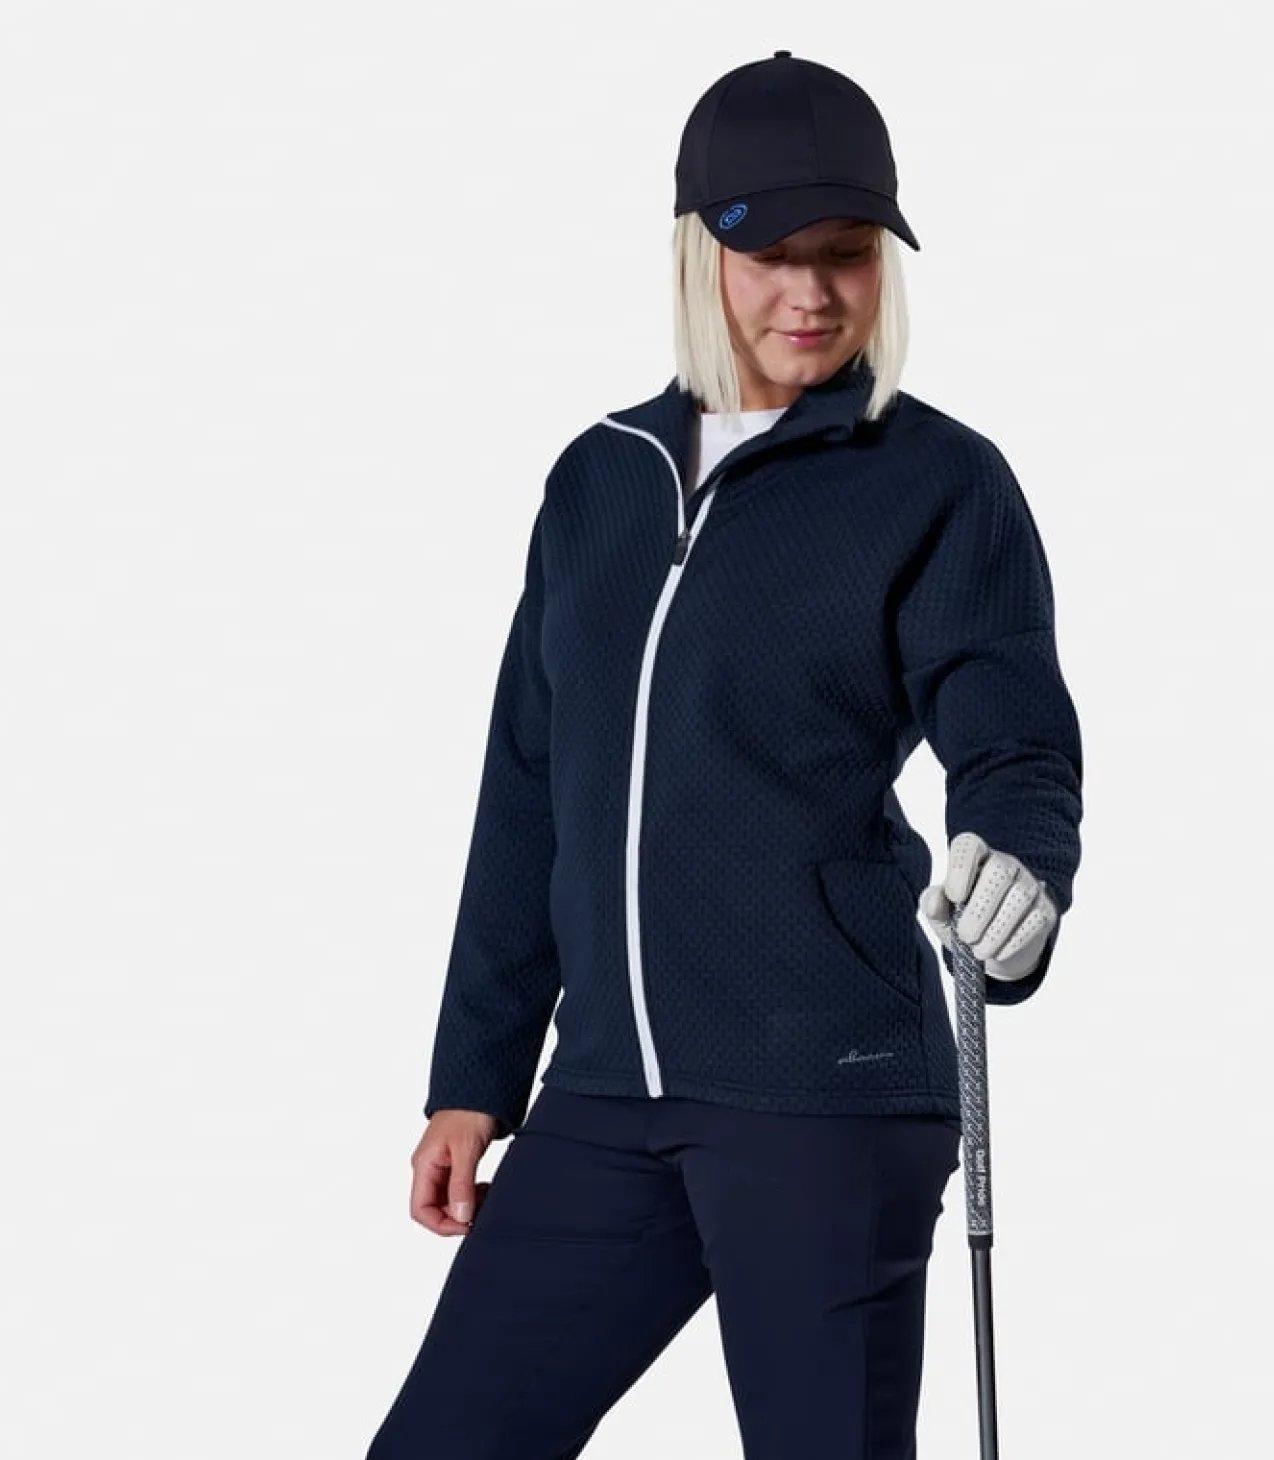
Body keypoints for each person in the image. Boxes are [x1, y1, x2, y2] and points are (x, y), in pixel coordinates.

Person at [366, 49, 1083, 1460]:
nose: (811, 294)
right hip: (605, 1093)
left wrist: (1021, 864)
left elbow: (1013, 738)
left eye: (847, 253)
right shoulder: (599, 480)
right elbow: (529, 791)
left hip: (827, 1094)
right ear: (702, 252)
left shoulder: (935, 481)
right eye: (771, 256)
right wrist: (473, 1077)